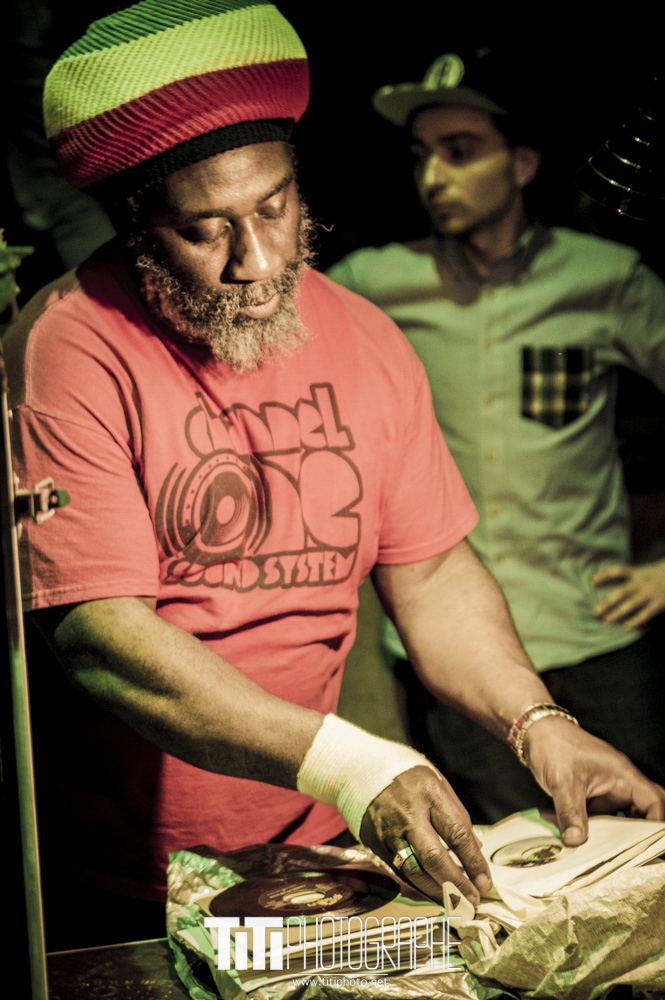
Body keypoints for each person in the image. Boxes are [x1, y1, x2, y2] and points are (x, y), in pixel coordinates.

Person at [4, 6, 664, 950]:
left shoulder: (364, 334)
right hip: (124, 880)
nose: (259, 261)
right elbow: (101, 637)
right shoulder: (68, 347)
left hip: (318, 853)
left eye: (274, 207)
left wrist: (535, 721)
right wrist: (353, 764)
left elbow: (431, 578)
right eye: (205, 229)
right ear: (136, 224)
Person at [327, 51, 665, 823]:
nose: (433, 177)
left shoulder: (604, 279)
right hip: (459, 661)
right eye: (421, 155)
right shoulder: (375, 284)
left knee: (648, 847)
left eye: (460, 151)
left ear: (521, 163)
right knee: (513, 860)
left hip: (596, 632)